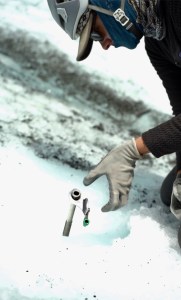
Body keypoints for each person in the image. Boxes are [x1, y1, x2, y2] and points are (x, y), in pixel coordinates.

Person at [47, 0, 181, 219]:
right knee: (169, 195)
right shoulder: (158, 44)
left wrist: (133, 150)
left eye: (96, 33)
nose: (105, 44)